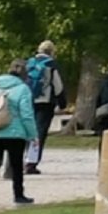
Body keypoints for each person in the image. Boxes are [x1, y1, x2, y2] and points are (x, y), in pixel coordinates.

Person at [0, 58, 39, 210]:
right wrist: (33, 135)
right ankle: (18, 196)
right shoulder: (23, 89)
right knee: (16, 165)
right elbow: (27, 114)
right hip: (14, 132)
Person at [22, 40, 66, 175]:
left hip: (29, 101)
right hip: (45, 102)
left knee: (27, 131)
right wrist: (62, 102)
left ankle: (20, 160)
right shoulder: (51, 65)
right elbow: (58, 87)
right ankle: (31, 163)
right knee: (39, 133)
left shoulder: (29, 63)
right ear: (52, 51)